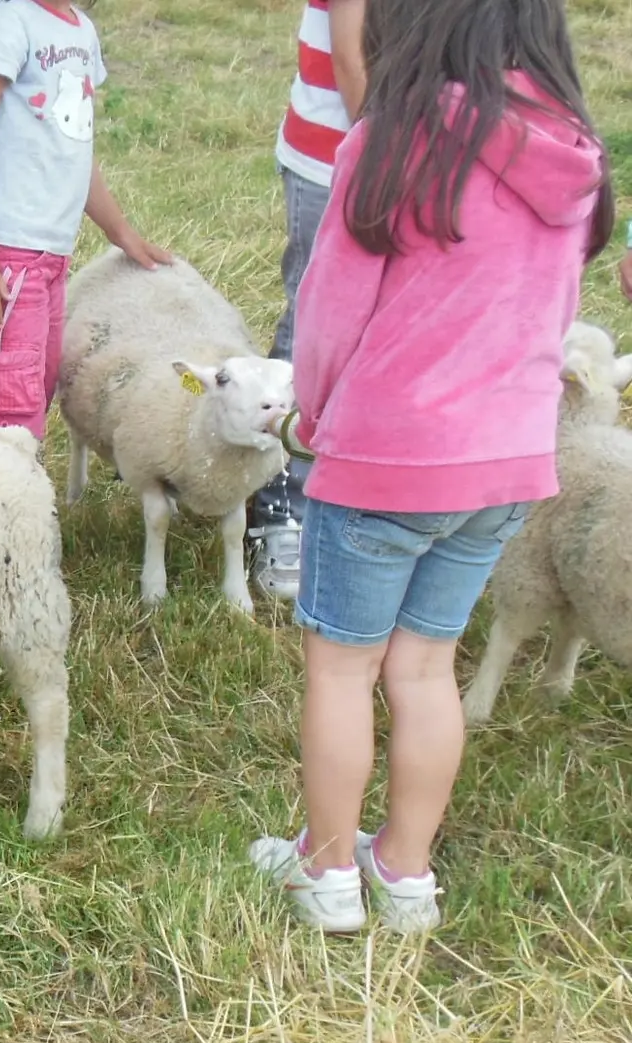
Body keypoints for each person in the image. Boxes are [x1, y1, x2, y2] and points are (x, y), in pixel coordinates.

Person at [248, 0, 614, 934]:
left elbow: (327, 310)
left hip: (385, 458)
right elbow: (556, 310)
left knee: (341, 670)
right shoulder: (575, 156)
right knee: (425, 669)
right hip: (507, 468)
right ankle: (404, 874)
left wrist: (312, 416)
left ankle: (326, 874)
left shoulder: (393, 143)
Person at [0, 0, 171, 444]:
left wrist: (121, 233)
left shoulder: (80, 30)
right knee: (9, 406)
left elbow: (74, 147)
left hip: (52, 254)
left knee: (39, 385)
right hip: (7, 250)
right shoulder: (6, 22)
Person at [247, 0, 368, 603]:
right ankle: (280, 504)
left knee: (385, 334)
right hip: (337, 158)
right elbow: (349, 53)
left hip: (419, 159)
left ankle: (359, 493)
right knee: (312, 329)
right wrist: (392, 160)